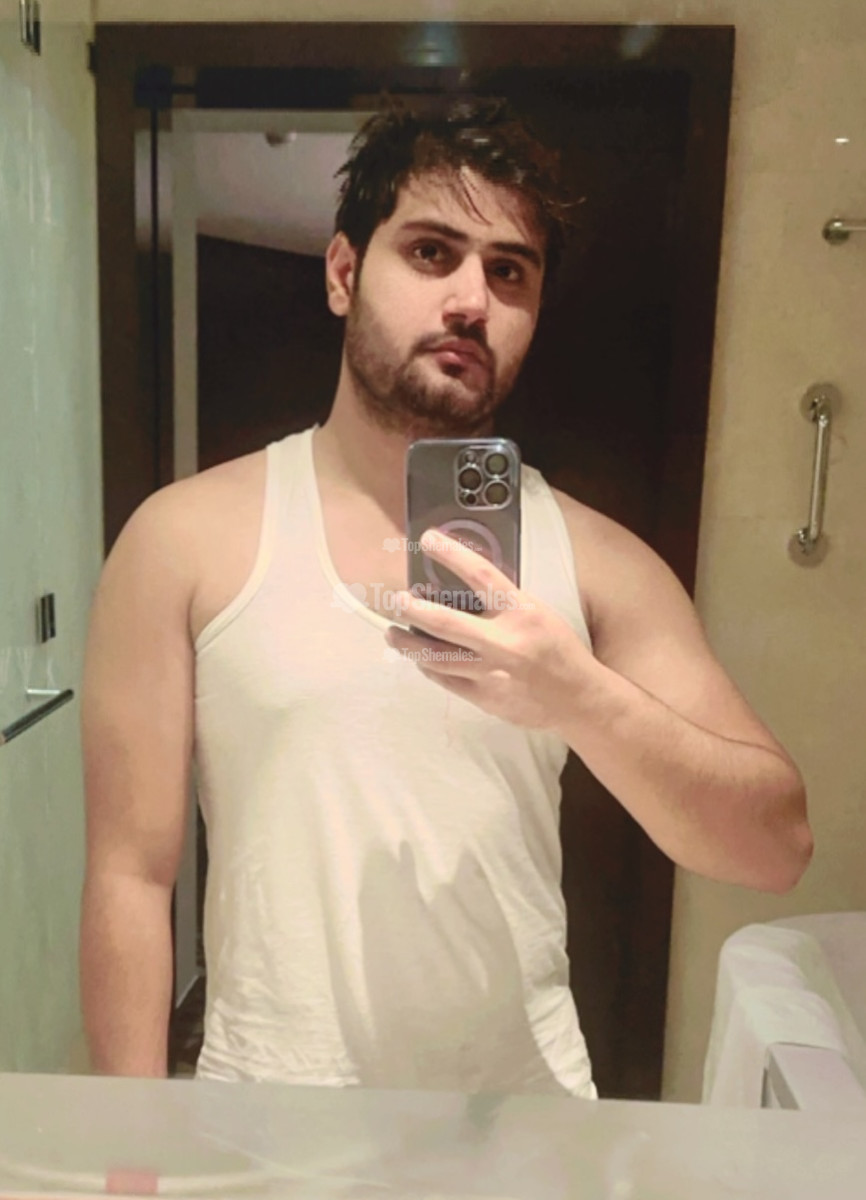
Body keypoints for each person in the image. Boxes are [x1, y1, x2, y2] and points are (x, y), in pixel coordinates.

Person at [79, 97, 813, 1097]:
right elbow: (130, 876)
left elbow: (774, 847)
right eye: (431, 253)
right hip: (267, 1118)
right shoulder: (183, 540)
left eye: (508, 271)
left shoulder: (598, 562)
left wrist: (577, 696)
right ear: (343, 274)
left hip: (524, 1124)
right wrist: (130, 1154)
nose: (471, 298)